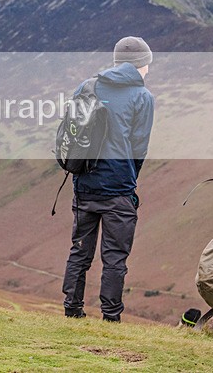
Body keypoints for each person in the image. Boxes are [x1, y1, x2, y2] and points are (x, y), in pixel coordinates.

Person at [62, 36, 155, 322]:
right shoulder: (142, 97)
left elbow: (71, 132)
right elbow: (139, 147)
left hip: (84, 183)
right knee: (115, 256)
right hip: (119, 188)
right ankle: (111, 317)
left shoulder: (86, 86)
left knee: (79, 250)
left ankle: (72, 310)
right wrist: (129, 177)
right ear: (141, 65)